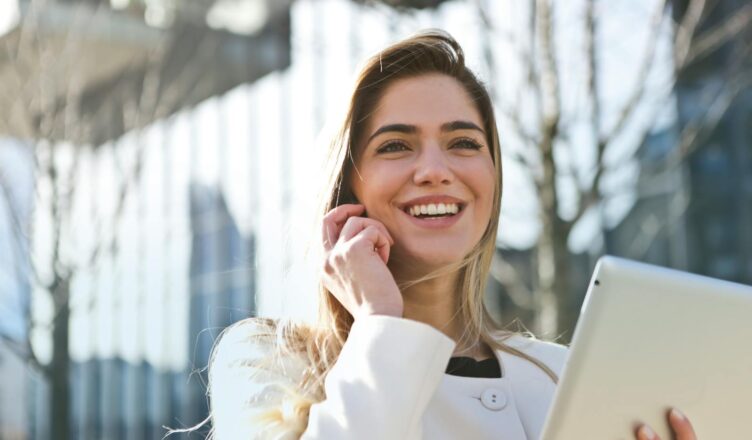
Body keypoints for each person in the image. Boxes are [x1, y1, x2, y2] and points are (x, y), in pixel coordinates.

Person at [208, 30, 697, 440]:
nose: (435, 170)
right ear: (347, 187)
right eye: (396, 145)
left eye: (463, 142)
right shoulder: (266, 363)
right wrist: (381, 322)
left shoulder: (559, 374)